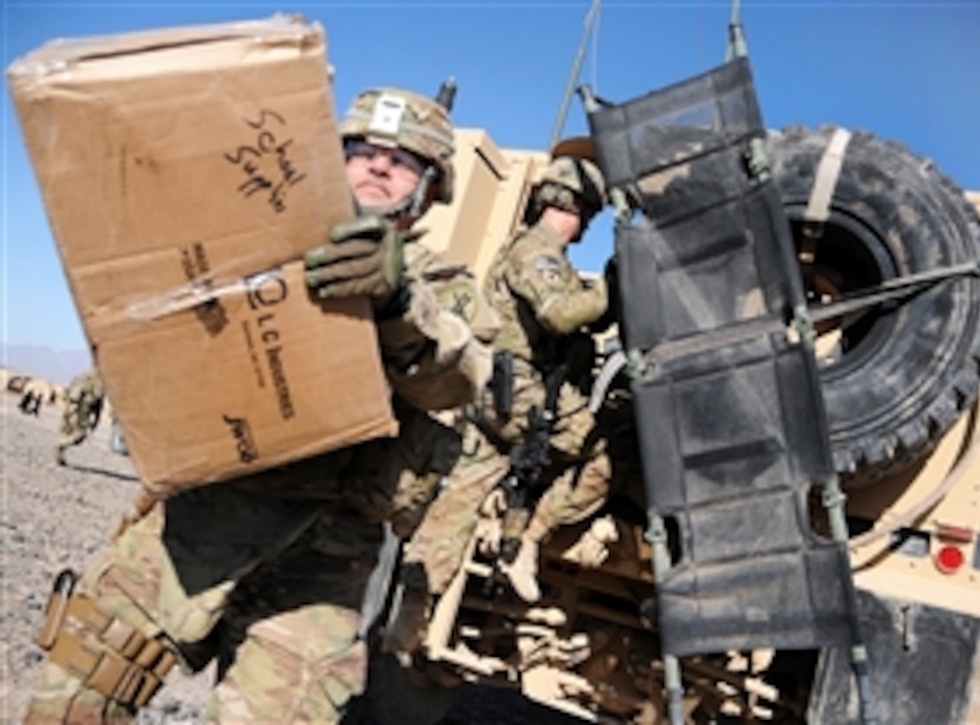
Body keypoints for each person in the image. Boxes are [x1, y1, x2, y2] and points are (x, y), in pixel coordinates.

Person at [24, 85, 494, 724]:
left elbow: (459, 374)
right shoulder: (259, 240)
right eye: (362, 151)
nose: (379, 166)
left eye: (404, 161)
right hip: (200, 517)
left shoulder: (445, 294)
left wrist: (394, 303)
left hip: (326, 561)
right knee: (76, 694)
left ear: (429, 192)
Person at [402, 144, 616, 608]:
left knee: (467, 494)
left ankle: (412, 615)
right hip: (518, 390)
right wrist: (612, 285)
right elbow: (561, 316)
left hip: (497, 390)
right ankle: (532, 540)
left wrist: (602, 299)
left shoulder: (532, 252)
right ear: (574, 206)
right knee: (600, 456)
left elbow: (585, 317)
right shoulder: (537, 253)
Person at [55, 369, 105, 466]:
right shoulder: (96, 381)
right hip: (80, 410)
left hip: (71, 407)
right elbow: (98, 400)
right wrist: (95, 419)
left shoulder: (83, 377)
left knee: (68, 431)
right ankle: (61, 445)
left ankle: (61, 451)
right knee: (79, 435)